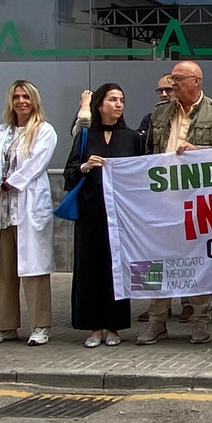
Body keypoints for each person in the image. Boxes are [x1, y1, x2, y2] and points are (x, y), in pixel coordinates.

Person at [138, 60, 212, 344]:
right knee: (153, 260)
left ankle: (200, 320)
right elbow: (147, 155)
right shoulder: (159, 112)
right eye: (171, 79)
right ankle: (156, 320)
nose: (172, 84)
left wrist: (198, 151)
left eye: (178, 79)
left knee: (198, 260)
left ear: (197, 81)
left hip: (198, 201)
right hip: (161, 200)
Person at [0, 80, 57, 346]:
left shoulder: (45, 131)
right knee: (3, 269)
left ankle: (40, 325)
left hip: (29, 205)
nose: (21, 101)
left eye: (26, 96)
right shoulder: (1, 133)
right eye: (16, 97)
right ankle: (3, 325)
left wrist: (0, 188)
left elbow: (34, 166)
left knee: (33, 269)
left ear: (34, 100)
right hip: (3, 211)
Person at [64, 83, 142, 347]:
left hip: (120, 215)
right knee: (90, 269)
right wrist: (86, 166)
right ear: (99, 104)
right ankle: (94, 326)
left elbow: (142, 175)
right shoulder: (86, 135)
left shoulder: (132, 138)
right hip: (90, 211)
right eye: (112, 99)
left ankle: (114, 326)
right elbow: (69, 173)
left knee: (116, 268)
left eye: (122, 100)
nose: (118, 104)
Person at [139, 74, 174, 144]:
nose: (164, 94)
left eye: (168, 90)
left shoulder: (186, 117)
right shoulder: (149, 119)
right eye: (160, 91)